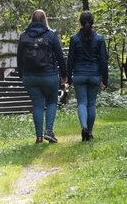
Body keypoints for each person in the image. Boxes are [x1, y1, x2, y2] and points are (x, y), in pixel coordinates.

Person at [16, 9, 67, 143]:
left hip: (30, 76)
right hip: (49, 75)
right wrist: (64, 75)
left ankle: (39, 137)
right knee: (51, 102)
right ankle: (48, 132)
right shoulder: (51, 35)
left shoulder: (23, 35)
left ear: (31, 20)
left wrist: (22, 74)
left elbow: (19, 58)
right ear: (45, 20)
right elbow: (60, 57)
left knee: (37, 105)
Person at [66, 10, 108, 141]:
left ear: (80, 22)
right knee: (91, 104)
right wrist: (104, 79)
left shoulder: (74, 39)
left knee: (82, 103)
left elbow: (70, 59)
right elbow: (103, 60)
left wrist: (69, 77)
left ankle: (83, 126)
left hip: (79, 75)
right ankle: (89, 132)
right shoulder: (99, 39)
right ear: (93, 22)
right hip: (94, 75)